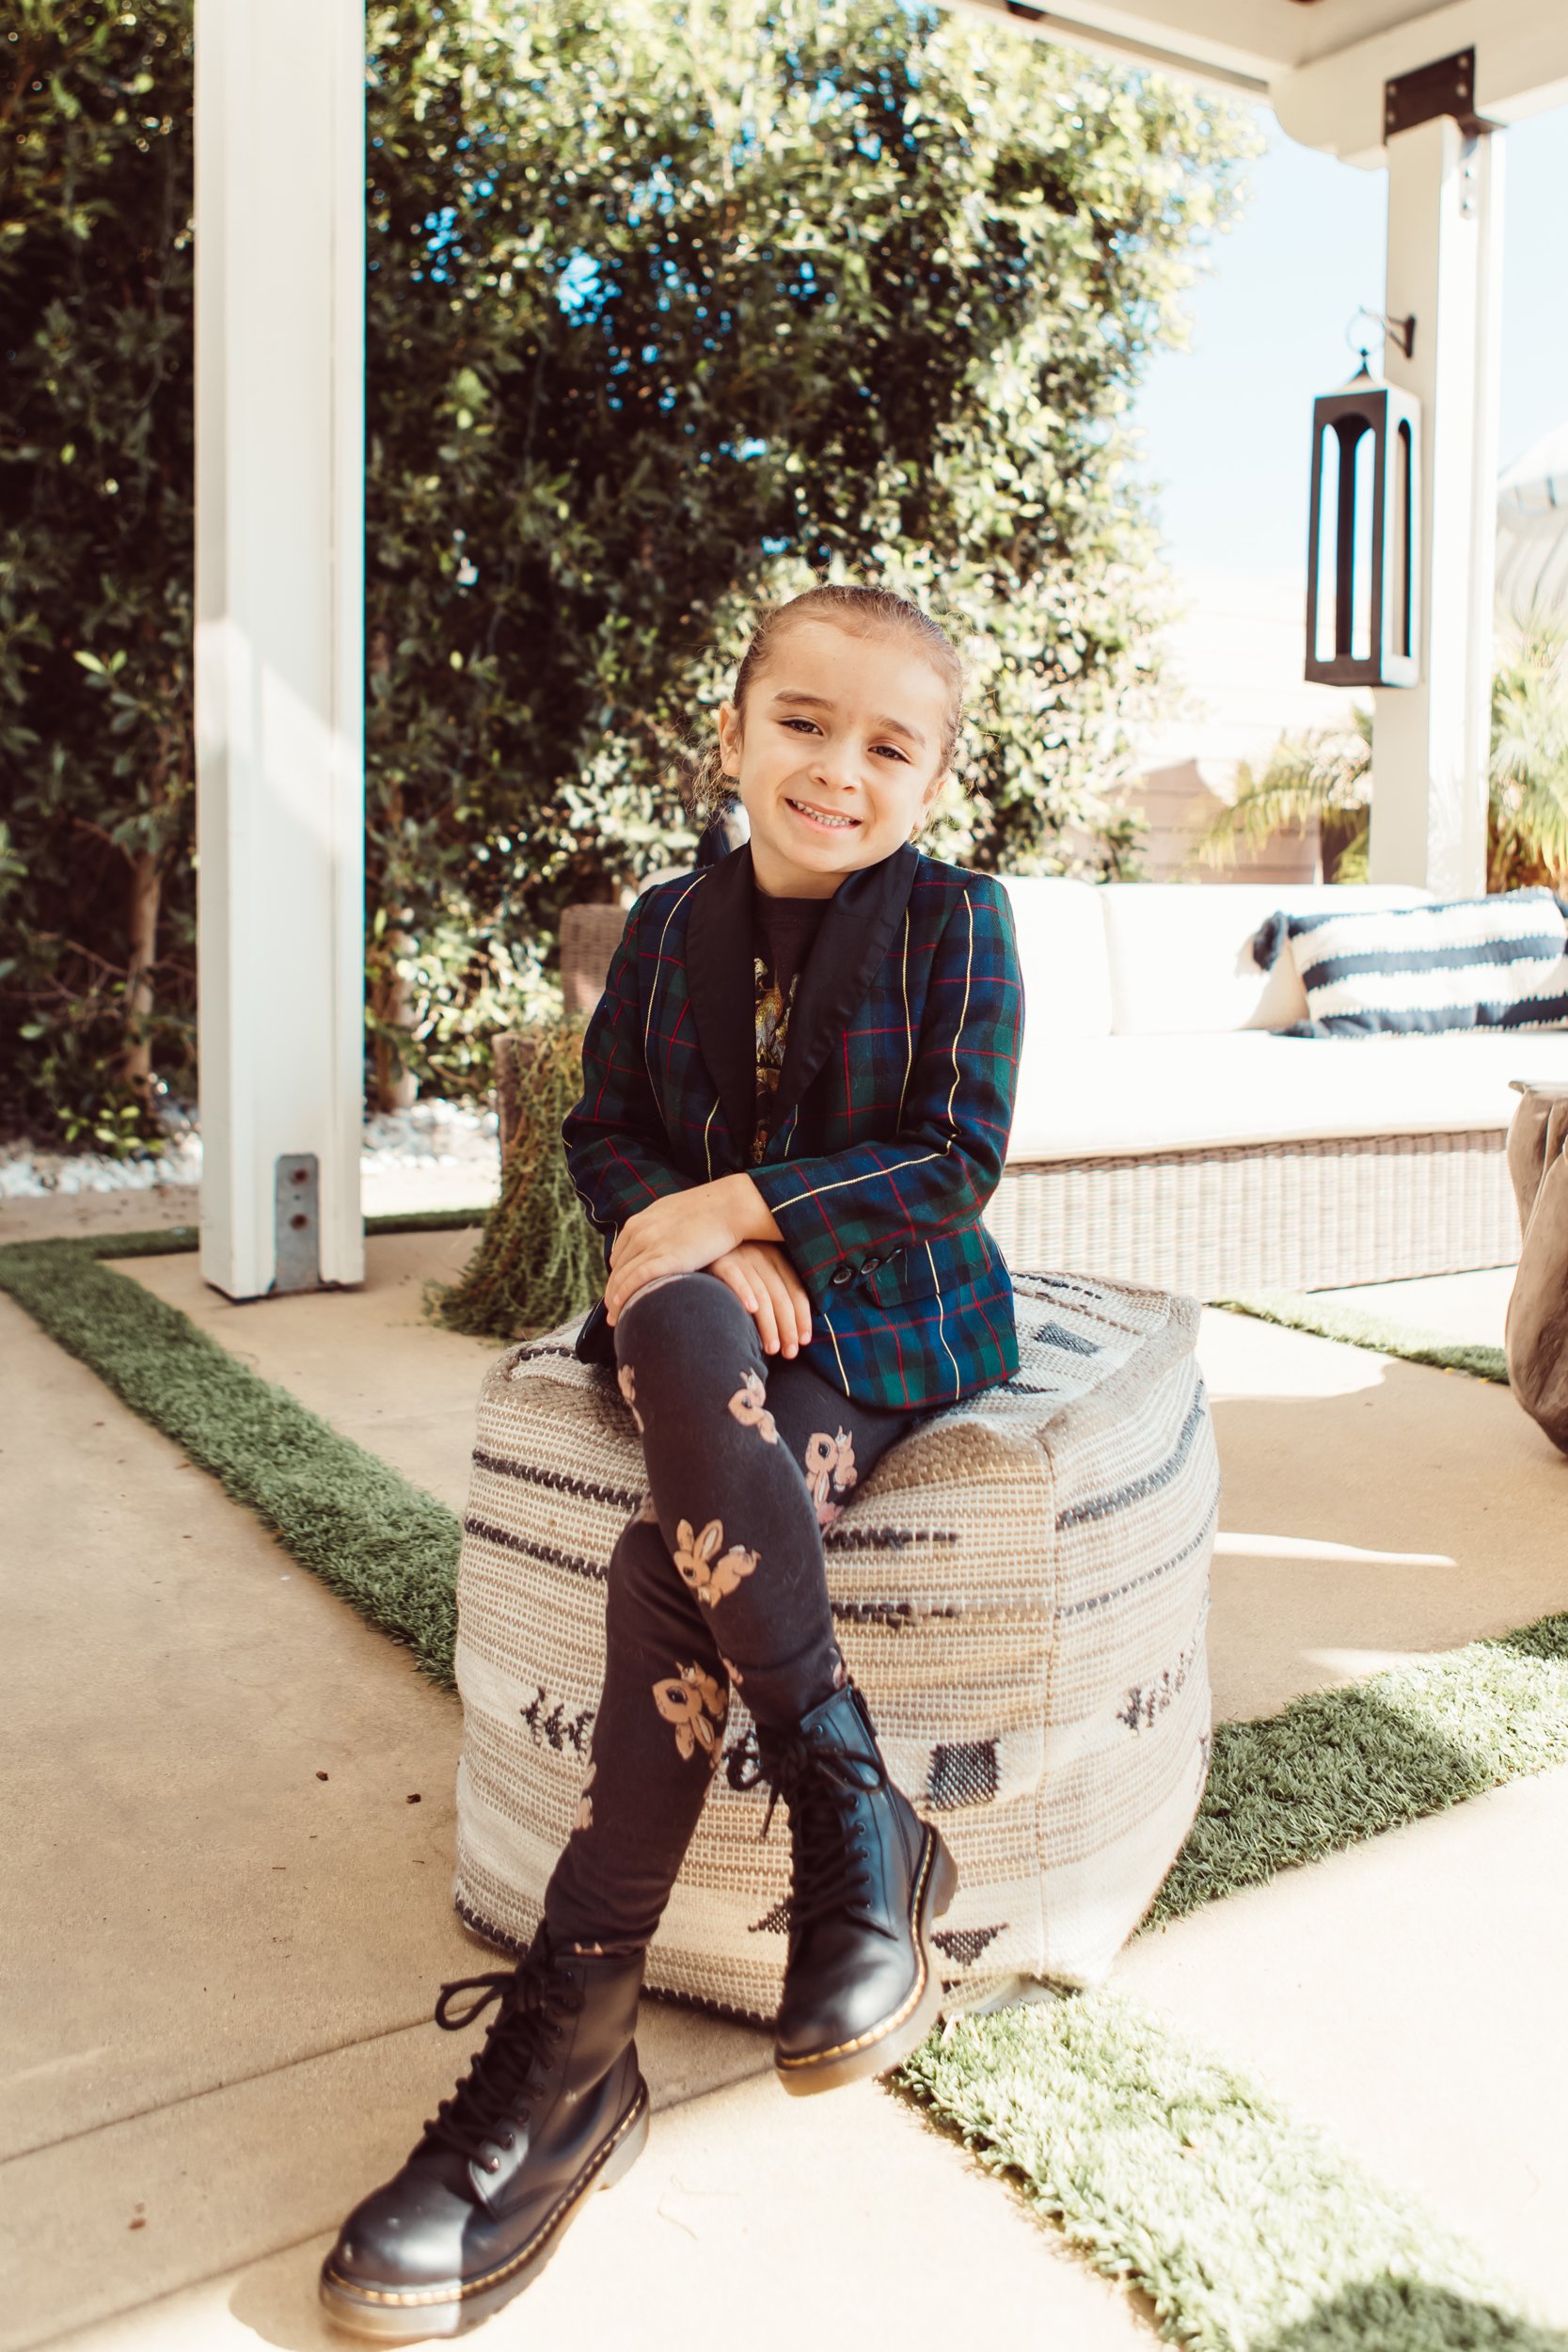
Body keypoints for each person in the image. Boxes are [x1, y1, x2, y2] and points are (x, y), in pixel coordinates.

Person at [320, 584, 1024, 2340]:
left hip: (887, 1322)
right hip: (696, 1329)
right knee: (684, 1315)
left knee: (668, 1564)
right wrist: (694, 1238)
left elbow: (952, 1156)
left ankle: (570, 2048)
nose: (837, 770)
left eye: (888, 744)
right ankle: (854, 1809)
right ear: (730, 736)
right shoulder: (663, 928)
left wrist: (746, 1209)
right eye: (801, 722)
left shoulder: (956, 923)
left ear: (933, 780)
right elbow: (608, 1126)